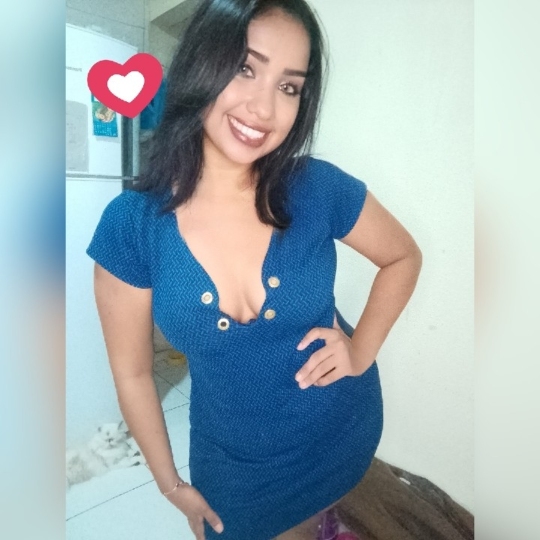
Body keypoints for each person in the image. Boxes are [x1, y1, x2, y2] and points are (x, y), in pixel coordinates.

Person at [87, 0, 422, 539]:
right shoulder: (132, 225)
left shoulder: (316, 187)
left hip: (342, 427)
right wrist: (170, 484)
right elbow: (133, 373)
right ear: (203, 63)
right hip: (236, 470)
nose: (264, 108)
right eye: (245, 67)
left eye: (289, 87)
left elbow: (403, 256)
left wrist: (360, 351)